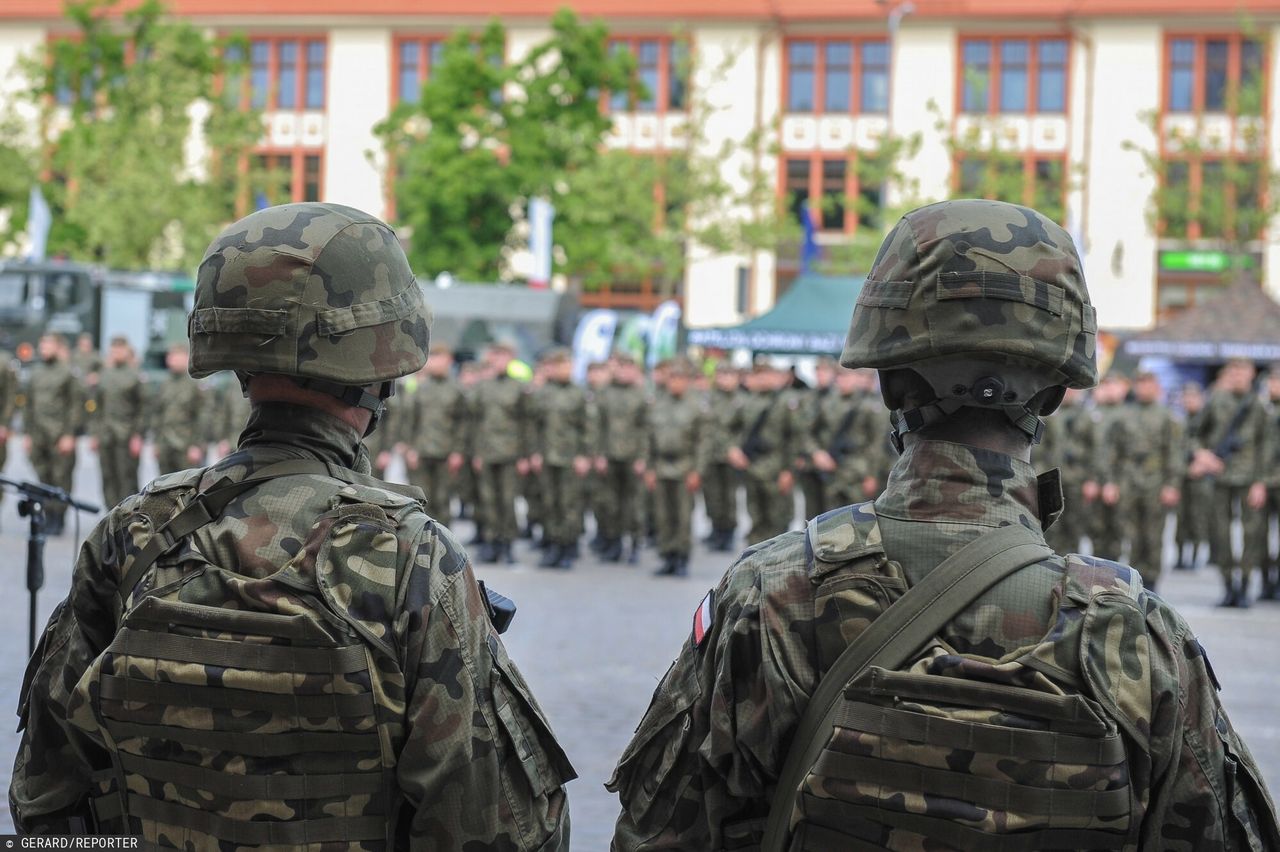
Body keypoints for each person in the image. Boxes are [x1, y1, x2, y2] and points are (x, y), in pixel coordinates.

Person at [608, 199, 1279, 851]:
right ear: (1055, 393)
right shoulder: (1141, 634)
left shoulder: (768, 596)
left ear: (889, 384)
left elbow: (663, 832)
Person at [10, 202, 574, 847]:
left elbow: (45, 800)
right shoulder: (410, 558)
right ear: (380, 369)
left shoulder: (132, 534)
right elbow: (491, 827)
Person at [1191, 358, 1268, 607]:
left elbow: (1266, 446)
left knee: (1251, 534)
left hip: (1249, 478)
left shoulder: (1258, 405)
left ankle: (1245, 587)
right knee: (1220, 533)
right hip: (1220, 476)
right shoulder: (1216, 401)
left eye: (1242, 371)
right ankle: (1228, 587)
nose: (1237, 376)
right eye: (1233, 371)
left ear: (1251, 374)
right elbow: (1193, 433)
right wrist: (1202, 454)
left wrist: (1261, 482)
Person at [529, 348, 593, 569]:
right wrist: (535, 452)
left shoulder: (578, 393)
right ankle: (553, 545)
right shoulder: (543, 393)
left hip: (570, 456)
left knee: (570, 504)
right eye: (560, 366)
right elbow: (535, 425)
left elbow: (588, 427)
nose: (564, 369)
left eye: (568, 365)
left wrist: (584, 455)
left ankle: (568, 546)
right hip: (548, 455)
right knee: (550, 502)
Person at [645, 357, 708, 577]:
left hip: (685, 466)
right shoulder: (658, 403)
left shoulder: (696, 406)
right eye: (672, 378)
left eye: (680, 378)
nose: (675, 383)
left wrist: (697, 471)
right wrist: (649, 468)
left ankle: (682, 557)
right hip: (661, 466)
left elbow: (702, 442)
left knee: (682, 517)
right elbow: (650, 439)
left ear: (687, 381)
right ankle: (667, 556)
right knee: (663, 515)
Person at [1122, 371, 1182, 590]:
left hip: (1156, 483)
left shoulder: (1166, 416)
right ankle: (1135, 578)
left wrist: (1172, 485)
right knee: (1132, 535)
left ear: (1157, 388)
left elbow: (1174, 453)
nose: (1144, 389)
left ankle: (1152, 581)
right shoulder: (1126, 414)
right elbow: (1116, 452)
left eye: (1149, 385)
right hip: (1130, 482)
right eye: (1141, 384)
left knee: (1153, 535)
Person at [470, 341, 529, 564]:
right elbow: (475, 422)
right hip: (486, 451)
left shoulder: (518, 388)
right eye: (497, 356)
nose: (500, 361)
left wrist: (525, 454)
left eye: (505, 356)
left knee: (508, 500)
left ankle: (508, 544)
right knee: (488, 499)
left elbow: (526, 424)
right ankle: (491, 541)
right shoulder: (482, 388)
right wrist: (475, 452)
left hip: (510, 453)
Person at [727, 359, 796, 545]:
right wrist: (733, 449)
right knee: (755, 516)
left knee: (778, 521)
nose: (763, 379)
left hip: (776, 467)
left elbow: (796, 438)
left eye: (767, 374)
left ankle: (779, 566)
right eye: (758, 374)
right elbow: (729, 429)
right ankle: (756, 564)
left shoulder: (785, 402)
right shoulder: (745, 402)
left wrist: (789, 470)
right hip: (752, 466)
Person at [23, 333, 82, 535]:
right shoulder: (36, 373)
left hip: (59, 434)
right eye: (42, 344)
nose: (44, 348)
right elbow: (28, 405)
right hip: (39, 434)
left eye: (48, 344)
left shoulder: (67, 373)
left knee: (61, 476)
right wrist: (28, 434)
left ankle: (58, 517)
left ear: (58, 347)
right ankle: (47, 514)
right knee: (43, 475)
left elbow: (75, 406)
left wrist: (69, 434)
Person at [403, 343, 467, 527]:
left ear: (449, 361)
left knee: (443, 499)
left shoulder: (456, 390)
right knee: (422, 498)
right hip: (422, 451)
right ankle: (423, 540)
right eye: (433, 358)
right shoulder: (421, 388)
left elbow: (462, 424)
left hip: (446, 453)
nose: (435, 362)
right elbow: (412, 421)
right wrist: (410, 448)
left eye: (440, 358)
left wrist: (458, 452)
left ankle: (444, 542)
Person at [595, 354, 649, 564]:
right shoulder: (605, 393)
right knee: (611, 502)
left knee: (634, 503)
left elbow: (646, 429)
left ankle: (635, 543)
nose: (623, 372)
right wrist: (598, 454)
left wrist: (643, 457)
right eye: (620, 367)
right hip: (610, 454)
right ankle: (614, 543)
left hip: (633, 455)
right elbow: (597, 426)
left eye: (628, 368)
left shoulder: (641, 394)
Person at [90, 336, 146, 508]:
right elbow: (97, 407)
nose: (116, 353)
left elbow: (143, 409)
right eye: (113, 350)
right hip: (106, 435)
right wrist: (95, 434)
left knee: (126, 478)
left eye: (120, 350)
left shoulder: (135, 376)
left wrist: (138, 436)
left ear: (127, 351)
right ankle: (111, 516)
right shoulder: (104, 376)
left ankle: (130, 518)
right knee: (108, 477)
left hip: (126, 436)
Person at [700, 364, 743, 552]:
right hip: (711, 454)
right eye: (721, 374)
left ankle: (728, 533)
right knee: (712, 495)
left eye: (729, 374)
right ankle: (716, 529)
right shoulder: (710, 398)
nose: (724, 379)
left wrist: (734, 448)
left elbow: (744, 430)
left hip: (730, 456)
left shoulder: (741, 400)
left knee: (729, 497)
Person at [150, 343, 206, 475]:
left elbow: (202, 416)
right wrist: (156, 442)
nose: (172, 359)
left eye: (177, 356)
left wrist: (197, 445)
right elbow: (157, 414)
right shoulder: (165, 384)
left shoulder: (194, 385)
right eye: (171, 356)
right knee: (164, 486)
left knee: (187, 487)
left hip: (185, 446)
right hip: (165, 444)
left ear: (186, 358)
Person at [1175, 381, 1212, 571]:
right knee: (1181, 519)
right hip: (1182, 476)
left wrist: (1201, 465)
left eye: (1193, 397)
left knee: (1199, 518)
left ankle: (1197, 555)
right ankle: (1181, 556)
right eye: (1186, 397)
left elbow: (1211, 448)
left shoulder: (1206, 422)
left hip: (1201, 478)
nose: (1189, 401)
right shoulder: (1179, 422)